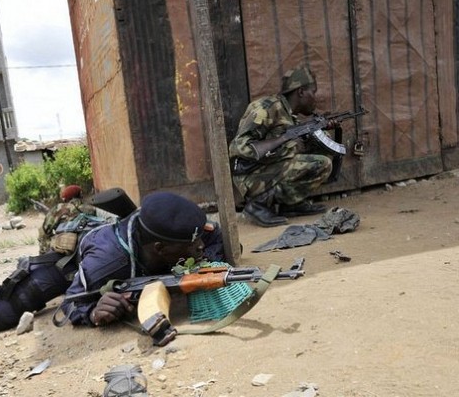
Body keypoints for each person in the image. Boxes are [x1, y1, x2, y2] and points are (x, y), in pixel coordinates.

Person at [60, 191, 224, 327]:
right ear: (160, 248)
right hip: (81, 251)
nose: (201, 245)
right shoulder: (108, 263)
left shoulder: (181, 232)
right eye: (191, 245)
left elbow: (215, 235)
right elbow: (70, 302)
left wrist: (203, 269)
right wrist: (93, 313)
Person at [229, 64, 334, 227]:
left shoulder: (289, 115)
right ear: (300, 92)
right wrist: (284, 143)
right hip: (249, 176)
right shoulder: (266, 109)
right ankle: (257, 204)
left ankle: (290, 204)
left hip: (269, 170)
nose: (316, 98)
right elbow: (238, 147)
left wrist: (319, 132)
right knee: (321, 162)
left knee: (323, 157)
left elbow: (293, 147)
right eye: (313, 92)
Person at [38, 185, 96, 254]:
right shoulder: (91, 208)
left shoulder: (60, 208)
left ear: (65, 198)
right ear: (80, 195)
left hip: (67, 246)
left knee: (42, 231)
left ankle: (44, 255)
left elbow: (46, 229)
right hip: (88, 242)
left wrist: (44, 249)